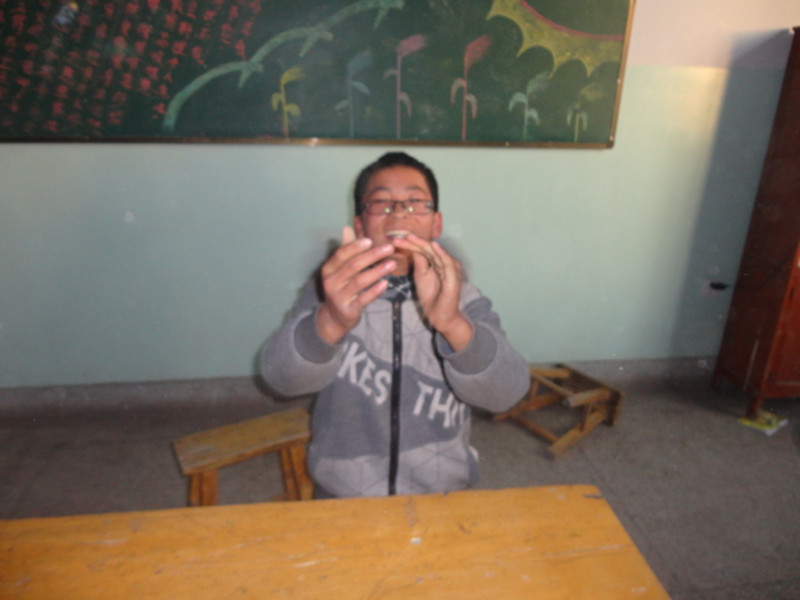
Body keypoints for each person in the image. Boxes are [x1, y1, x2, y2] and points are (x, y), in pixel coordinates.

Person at [260, 152, 530, 498]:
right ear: (360, 225)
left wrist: (453, 324)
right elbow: (281, 379)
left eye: (416, 202)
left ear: (436, 224)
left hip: (442, 493)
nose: (399, 212)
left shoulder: (462, 297)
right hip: (343, 494)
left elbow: (506, 394)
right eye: (381, 203)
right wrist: (331, 321)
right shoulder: (332, 292)